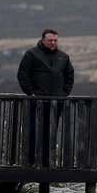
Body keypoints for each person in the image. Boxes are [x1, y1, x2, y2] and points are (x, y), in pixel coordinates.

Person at [17, 29, 74, 165]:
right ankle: (31, 160)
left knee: (52, 130)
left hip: (56, 102)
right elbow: (23, 75)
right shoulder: (32, 54)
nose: (53, 43)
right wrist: (31, 93)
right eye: (50, 40)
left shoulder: (63, 57)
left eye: (55, 40)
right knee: (33, 130)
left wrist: (63, 94)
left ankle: (47, 159)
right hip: (36, 101)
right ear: (43, 40)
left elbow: (69, 77)